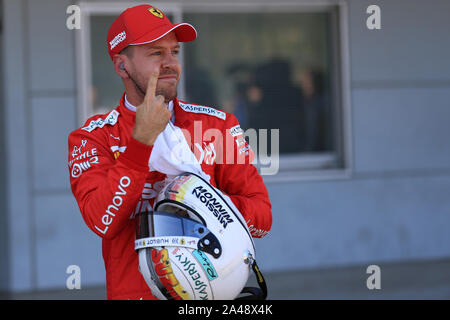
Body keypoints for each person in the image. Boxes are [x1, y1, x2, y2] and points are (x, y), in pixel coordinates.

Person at [67, 4, 272, 300]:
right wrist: (141, 143)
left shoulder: (218, 125)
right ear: (121, 65)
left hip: (214, 295)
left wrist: (206, 206)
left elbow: (263, 218)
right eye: (155, 53)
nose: (170, 63)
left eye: (174, 52)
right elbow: (103, 221)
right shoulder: (92, 137)